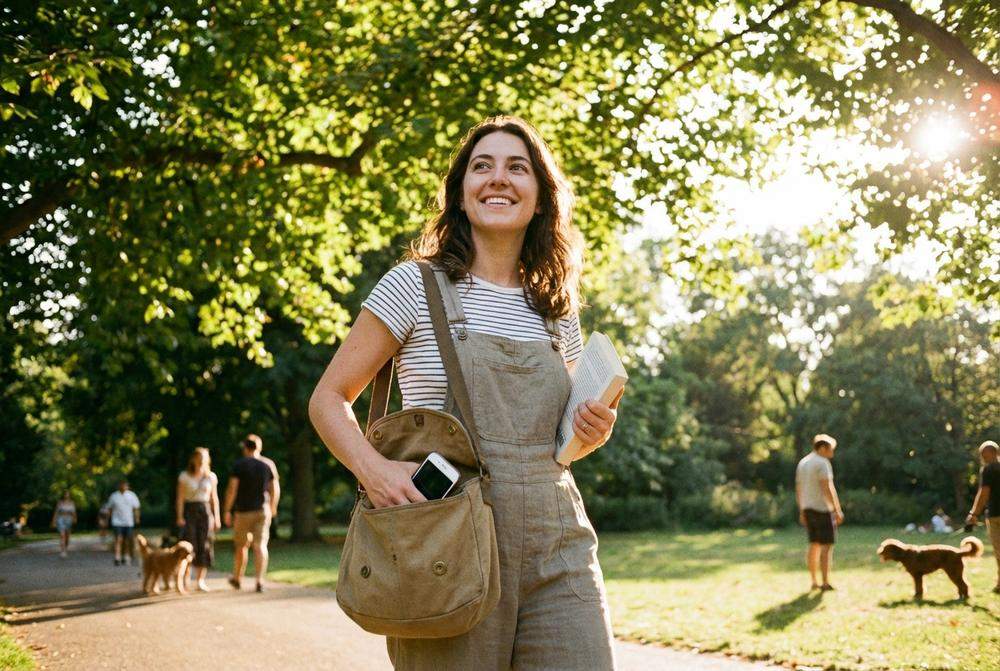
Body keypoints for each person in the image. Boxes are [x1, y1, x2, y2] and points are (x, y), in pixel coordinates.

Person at [308, 115, 621, 669]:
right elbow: (329, 398)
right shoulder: (414, 284)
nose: (498, 178)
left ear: (541, 198)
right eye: (482, 166)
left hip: (558, 542)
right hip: (445, 540)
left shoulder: (556, 308)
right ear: (459, 193)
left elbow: (562, 433)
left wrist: (590, 433)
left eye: (516, 168)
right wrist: (374, 470)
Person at [223, 434, 278, 592]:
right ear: (259, 447)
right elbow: (275, 488)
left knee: (241, 546)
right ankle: (259, 581)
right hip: (262, 510)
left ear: (245, 448)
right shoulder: (268, 464)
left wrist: (227, 510)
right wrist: (273, 506)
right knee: (260, 545)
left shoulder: (239, 465)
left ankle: (237, 578)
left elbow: (232, 489)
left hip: (242, 512)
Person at [796, 434, 844, 591]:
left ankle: (813, 581)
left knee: (813, 545)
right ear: (823, 448)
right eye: (831, 449)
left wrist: (802, 509)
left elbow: (799, 489)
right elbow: (827, 488)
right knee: (826, 546)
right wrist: (836, 509)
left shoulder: (803, 463)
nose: (832, 453)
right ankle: (825, 582)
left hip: (808, 508)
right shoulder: (822, 463)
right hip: (822, 509)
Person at [176, 447, 221, 592]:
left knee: (204, 544)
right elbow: (180, 498)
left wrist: (216, 517)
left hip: (205, 511)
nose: (201, 460)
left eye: (204, 457)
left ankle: (200, 580)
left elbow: (214, 498)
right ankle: (185, 578)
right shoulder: (184, 476)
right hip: (190, 510)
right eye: (199, 457)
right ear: (193, 459)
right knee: (189, 544)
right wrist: (180, 516)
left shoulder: (211, 477)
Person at [964, 439, 999, 594]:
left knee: (999, 550)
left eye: (984, 454)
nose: (983, 457)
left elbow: (984, 493)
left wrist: (974, 514)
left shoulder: (988, 470)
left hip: (996, 515)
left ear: (993, 453)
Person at [105, 480, 140, 565]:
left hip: (128, 522)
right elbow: (109, 508)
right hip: (117, 521)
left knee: (127, 540)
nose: (123, 486)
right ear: (119, 486)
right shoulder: (114, 496)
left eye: (125, 485)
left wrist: (137, 518)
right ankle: (117, 556)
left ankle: (126, 555)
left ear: (127, 486)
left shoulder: (131, 495)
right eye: (122, 485)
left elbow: (136, 508)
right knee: (118, 539)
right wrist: (107, 519)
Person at [50, 491, 77, 558]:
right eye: (65, 494)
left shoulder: (72, 503)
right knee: (62, 535)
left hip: (69, 519)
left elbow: (74, 512)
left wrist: (75, 518)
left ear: (70, 495)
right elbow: (56, 512)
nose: (66, 495)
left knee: (67, 536)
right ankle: (63, 551)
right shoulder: (60, 503)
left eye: (68, 494)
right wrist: (53, 521)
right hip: (61, 519)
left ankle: (66, 548)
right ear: (63, 495)